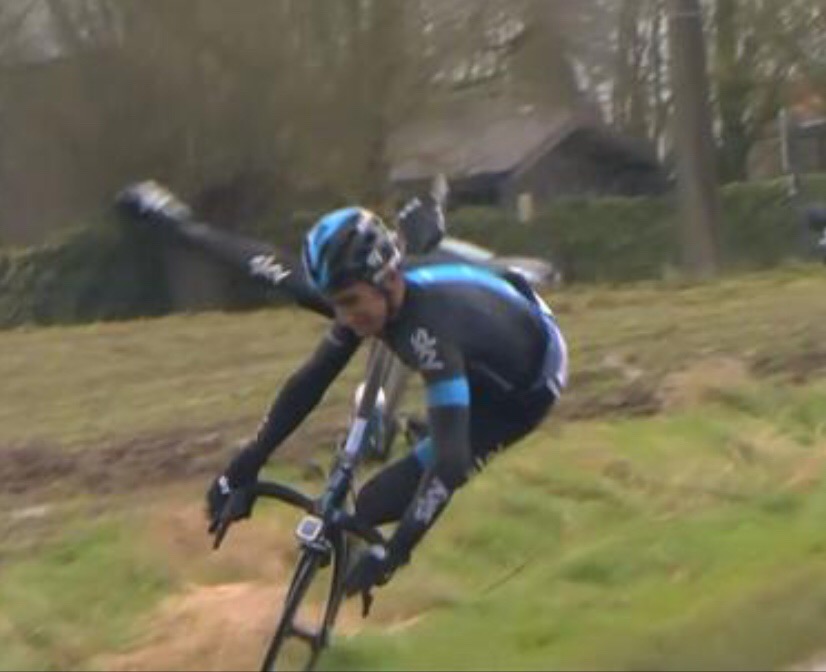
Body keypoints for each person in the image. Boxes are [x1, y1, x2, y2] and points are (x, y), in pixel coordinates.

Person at [203, 204, 569, 597]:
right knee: (367, 502)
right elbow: (310, 381)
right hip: (483, 316)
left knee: (376, 501)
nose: (344, 316)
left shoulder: (429, 335)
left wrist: (394, 554)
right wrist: (247, 462)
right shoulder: (370, 297)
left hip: (520, 392)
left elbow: (450, 462)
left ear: (389, 280)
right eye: (335, 303)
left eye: (350, 301)